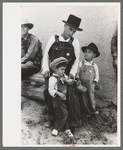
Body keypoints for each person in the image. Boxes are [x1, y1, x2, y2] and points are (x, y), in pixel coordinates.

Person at [42, 14, 83, 131]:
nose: (71, 33)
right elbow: (45, 56)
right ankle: (53, 117)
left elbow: (76, 61)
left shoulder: (75, 42)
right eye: (70, 29)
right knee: (48, 91)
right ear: (65, 26)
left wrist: (72, 74)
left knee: (71, 91)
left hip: (66, 73)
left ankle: (73, 121)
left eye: (74, 31)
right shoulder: (53, 38)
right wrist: (45, 70)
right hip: (53, 72)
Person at [49, 57, 74, 137]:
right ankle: (56, 128)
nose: (63, 71)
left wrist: (69, 81)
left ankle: (67, 129)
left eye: (64, 69)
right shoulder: (53, 78)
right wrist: (59, 93)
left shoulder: (63, 76)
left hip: (64, 99)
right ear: (55, 69)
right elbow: (51, 90)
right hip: (57, 99)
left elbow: (67, 81)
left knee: (66, 113)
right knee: (63, 113)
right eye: (62, 69)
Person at [78, 43, 100, 116]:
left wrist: (95, 81)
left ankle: (92, 110)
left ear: (94, 55)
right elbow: (77, 72)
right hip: (82, 83)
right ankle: (84, 110)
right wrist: (77, 78)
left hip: (90, 84)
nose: (86, 53)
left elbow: (97, 74)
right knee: (82, 96)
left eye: (89, 52)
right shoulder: (81, 63)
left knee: (91, 96)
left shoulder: (94, 65)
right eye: (86, 51)